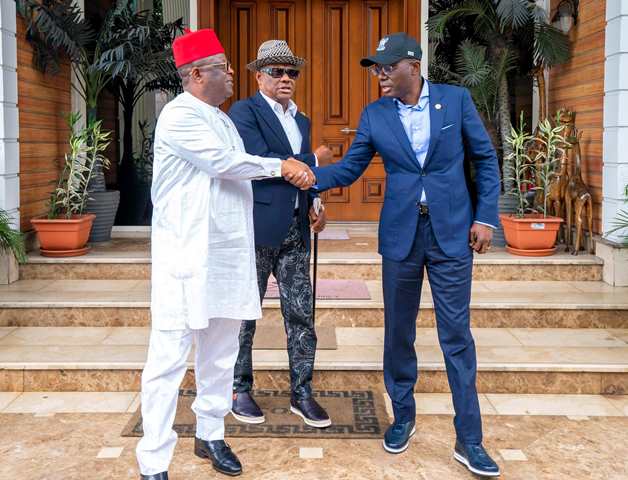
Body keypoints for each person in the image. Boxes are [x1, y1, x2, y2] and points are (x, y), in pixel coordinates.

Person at [311, 33, 501, 477]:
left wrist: (485, 218)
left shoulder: (455, 101)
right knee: (398, 333)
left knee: (456, 336)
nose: (378, 74)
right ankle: (404, 417)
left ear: (411, 67)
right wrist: (307, 175)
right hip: (401, 237)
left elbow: (485, 160)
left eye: (385, 66)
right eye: (375, 67)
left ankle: (469, 439)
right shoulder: (375, 115)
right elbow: (351, 169)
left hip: (452, 233)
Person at [135, 28, 315, 480]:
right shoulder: (179, 116)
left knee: (220, 353)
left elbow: (233, 174)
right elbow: (224, 163)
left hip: (227, 257)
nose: (233, 73)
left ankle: (210, 434)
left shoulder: (222, 117)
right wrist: (282, 165)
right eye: (224, 68)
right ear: (197, 74)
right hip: (187, 258)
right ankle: (154, 459)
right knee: (168, 361)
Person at [227, 40, 332, 428]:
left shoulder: (300, 120)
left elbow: (300, 175)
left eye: (292, 72)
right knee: (244, 314)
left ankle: (302, 392)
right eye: (277, 71)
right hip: (255, 228)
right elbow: (258, 162)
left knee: (301, 313)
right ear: (259, 76)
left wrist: (316, 202)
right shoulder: (244, 112)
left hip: (295, 230)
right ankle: (239, 389)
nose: (286, 78)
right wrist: (317, 158)